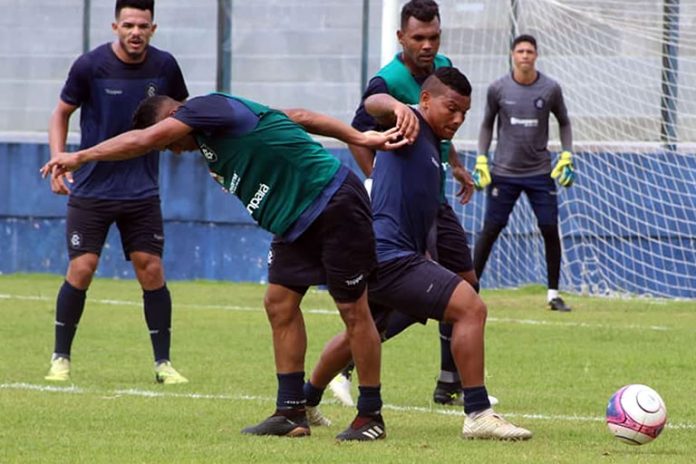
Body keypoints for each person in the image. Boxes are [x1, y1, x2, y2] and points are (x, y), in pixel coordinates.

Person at [41, 92, 408, 441]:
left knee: (353, 309)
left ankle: (370, 416)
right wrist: (359, 137)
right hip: (293, 220)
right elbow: (300, 117)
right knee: (279, 304)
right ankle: (291, 412)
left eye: (166, 143)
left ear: (173, 118)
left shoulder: (205, 108)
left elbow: (144, 139)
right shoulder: (215, 129)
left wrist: (81, 156)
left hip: (330, 200)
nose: (172, 151)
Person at [301, 67, 532, 440]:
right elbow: (374, 104)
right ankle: (477, 412)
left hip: (388, 257)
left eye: (464, 114)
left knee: (363, 331)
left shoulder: (433, 142)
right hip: (390, 258)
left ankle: (305, 400)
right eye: (451, 108)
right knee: (470, 307)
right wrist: (396, 104)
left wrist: (455, 166)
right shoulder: (407, 124)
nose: (457, 119)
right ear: (425, 100)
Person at [330, 0, 485, 408]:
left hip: (433, 201)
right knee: (404, 299)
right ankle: (346, 364)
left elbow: (441, 127)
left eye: (434, 36)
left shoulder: (442, 71)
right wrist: (376, 181)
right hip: (401, 211)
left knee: (467, 284)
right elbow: (362, 123)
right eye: (418, 37)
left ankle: (449, 380)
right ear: (401, 37)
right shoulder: (388, 80)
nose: (428, 45)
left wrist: (454, 166)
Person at [44, 0, 190, 384]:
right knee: (82, 267)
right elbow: (60, 112)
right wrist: (59, 158)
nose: (135, 32)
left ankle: (164, 364)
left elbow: (185, 116)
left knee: (152, 268)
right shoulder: (90, 66)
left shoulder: (166, 67)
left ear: (153, 29)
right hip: (92, 189)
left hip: (142, 190)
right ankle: (60, 358)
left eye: (143, 25)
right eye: (128, 24)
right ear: (115, 26)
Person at [472, 34, 575, 312]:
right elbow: (486, 125)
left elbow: (564, 122)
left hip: (540, 172)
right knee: (491, 229)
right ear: (512, 55)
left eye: (530, 51)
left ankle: (553, 294)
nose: (525, 55)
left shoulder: (550, 88)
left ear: (536, 55)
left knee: (549, 228)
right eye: (520, 51)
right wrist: (482, 158)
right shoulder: (497, 89)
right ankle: (469, 289)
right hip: (503, 172)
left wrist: (567, 153)